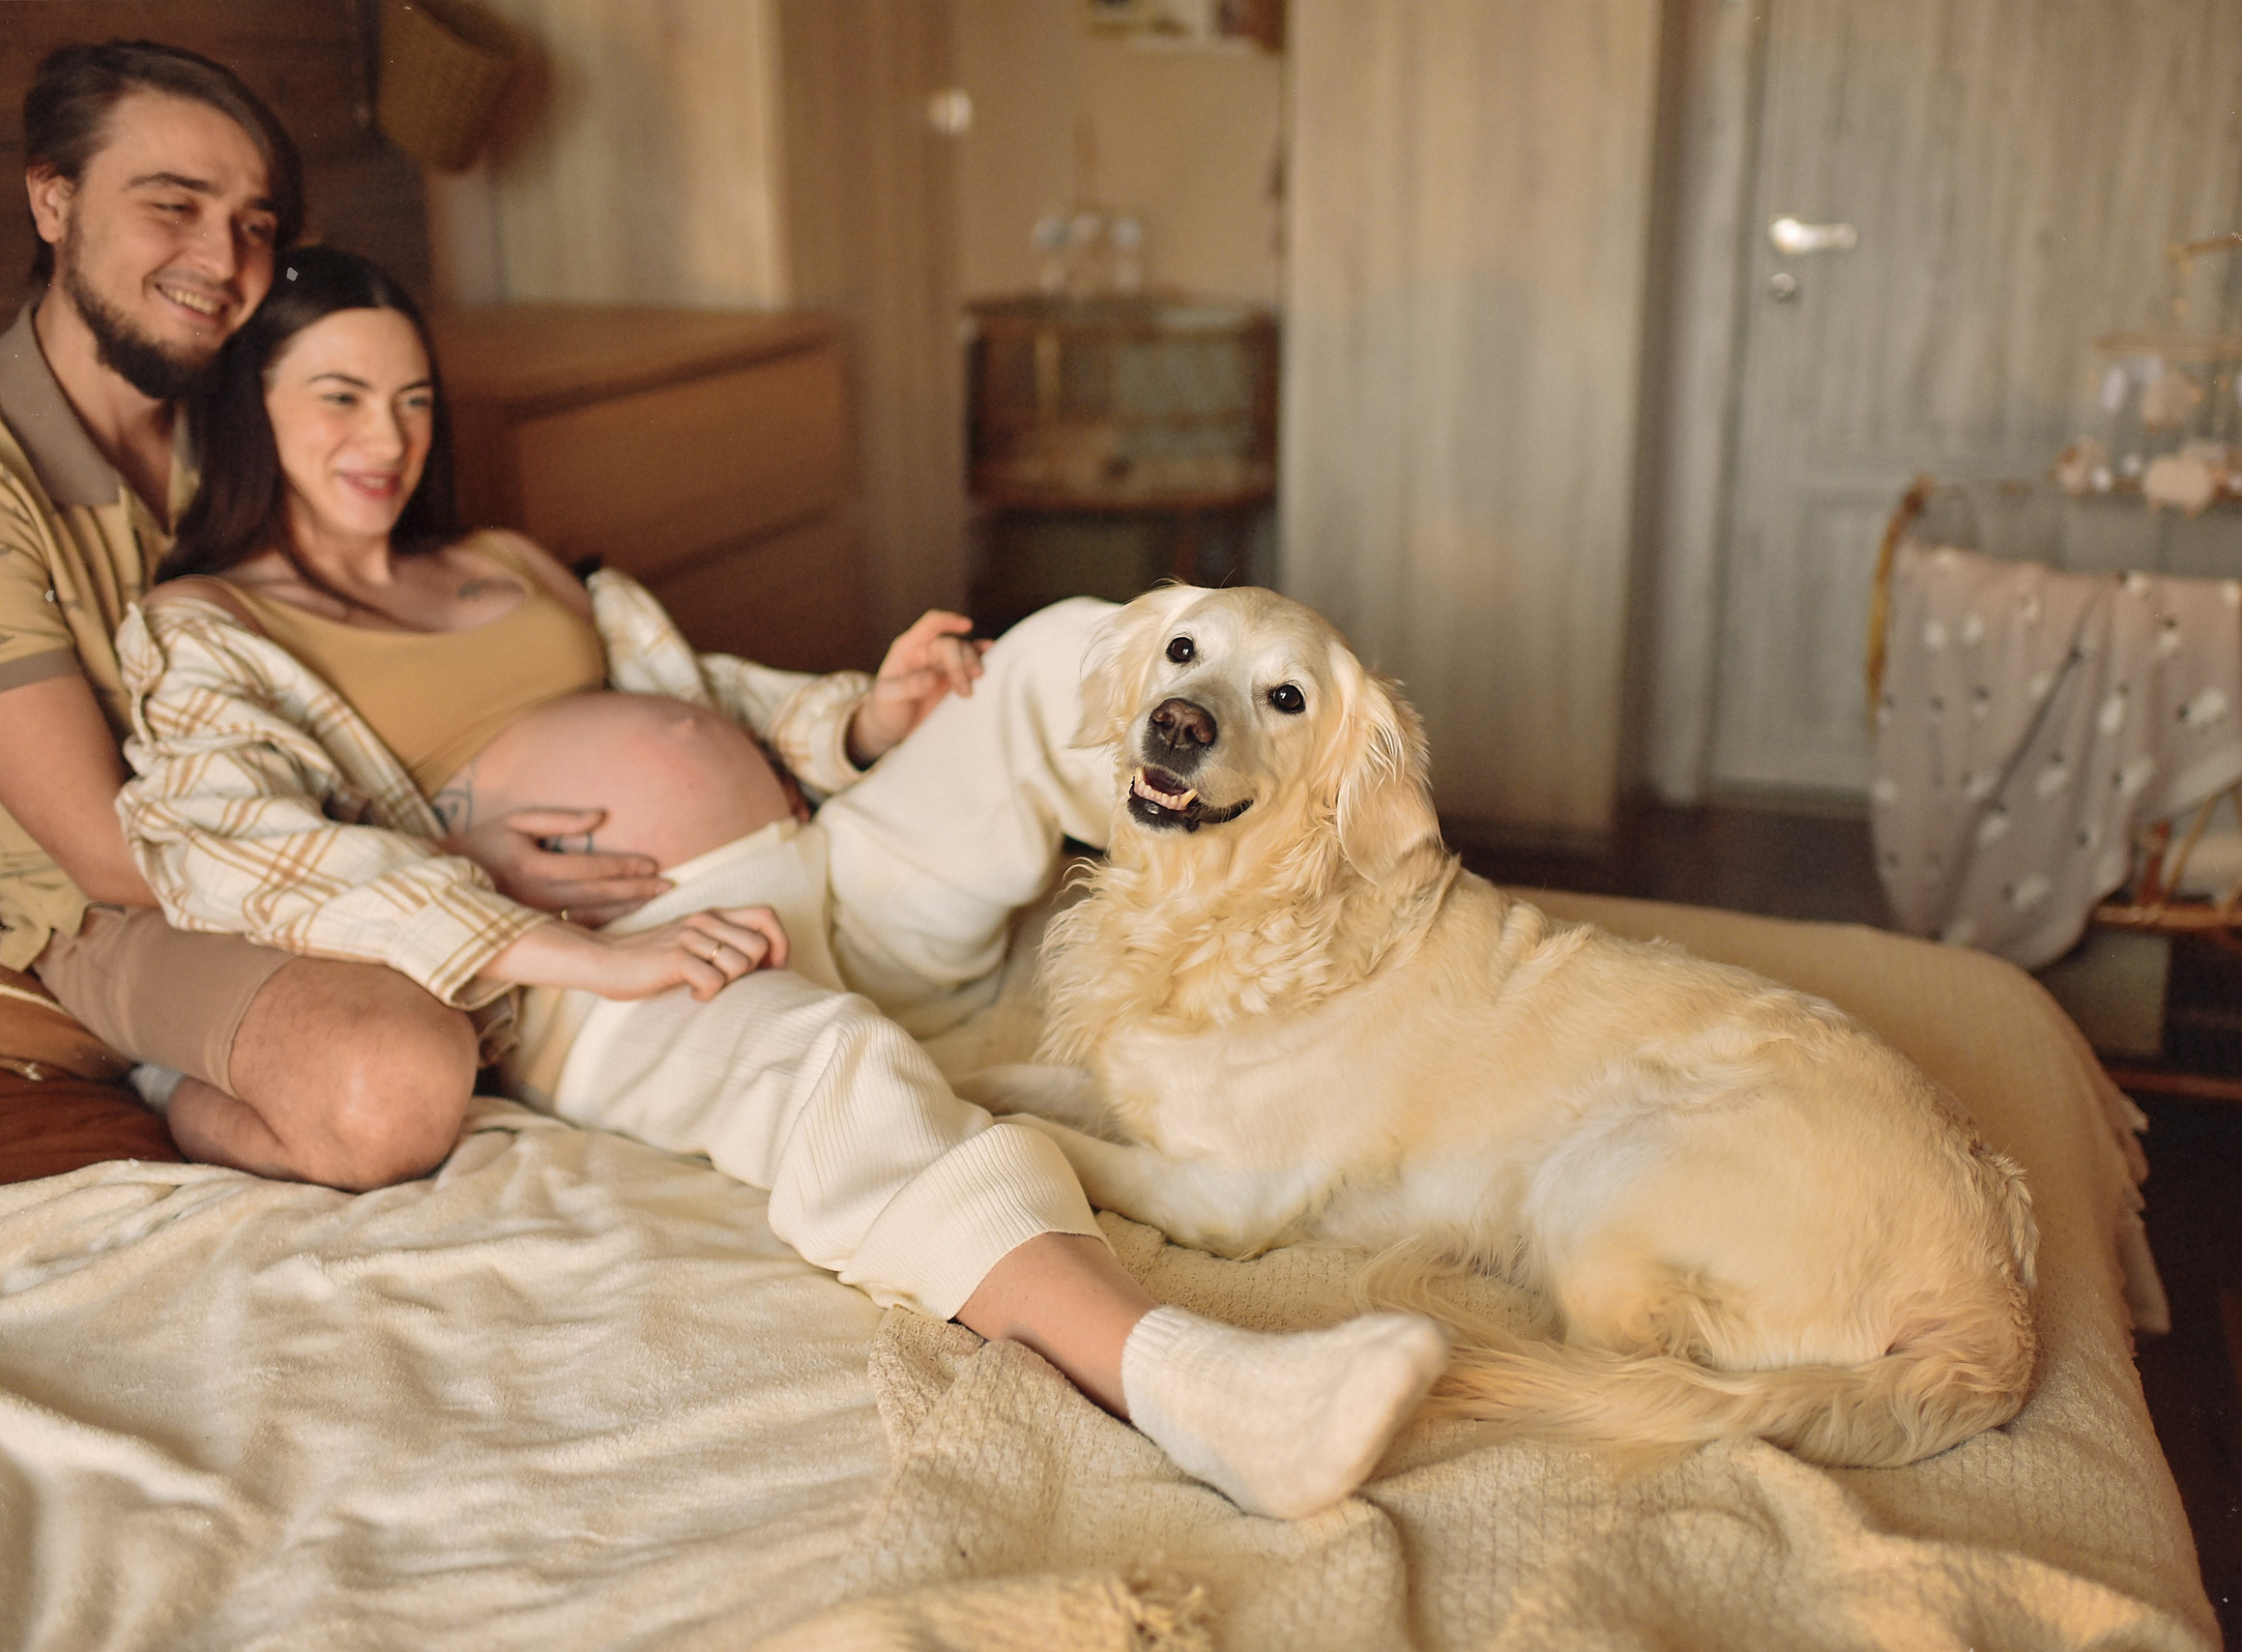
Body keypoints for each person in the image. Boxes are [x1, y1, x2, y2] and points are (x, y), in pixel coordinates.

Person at [114, 246, 1449, 1520]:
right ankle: (1192, 1385)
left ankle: (1377, 939)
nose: (388, 437)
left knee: (1046, 657)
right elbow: (237, 848)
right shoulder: (212, 626)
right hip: (610, 961)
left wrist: (866, 719)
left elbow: (703, 696)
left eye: (411, 399)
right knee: (837, 1062)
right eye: (339, 397)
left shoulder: (502, 560)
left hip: (822, 865)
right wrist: (576, 947)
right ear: (250, 407)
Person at [0, 40, 663, 1187]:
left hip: (330, 825)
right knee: (397, 1078)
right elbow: (110, 852)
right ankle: (177, 1082)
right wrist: (446, 855)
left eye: (255, 224)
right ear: (53, 200)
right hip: (122, 906)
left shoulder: (254, 410)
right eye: (172, 205)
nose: (223, 260)